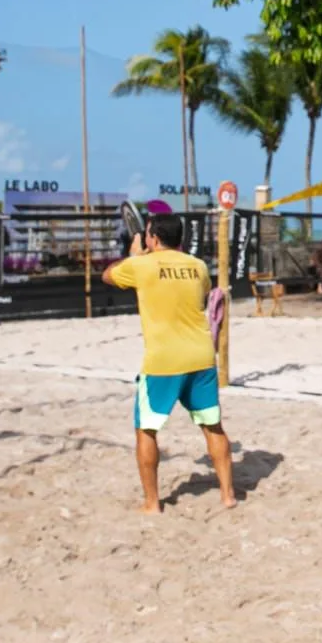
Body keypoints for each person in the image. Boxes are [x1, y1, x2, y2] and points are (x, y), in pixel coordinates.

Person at [102, 212, 236, 514]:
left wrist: (134, 255)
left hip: (163, 361)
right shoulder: (198, 265)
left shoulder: (140, 265)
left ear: (153, 238)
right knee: (212, 426)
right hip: (201, 357)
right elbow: (200, 293)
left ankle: (152, 503)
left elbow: (108, 276)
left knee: (146, 430)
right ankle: (228, 495)